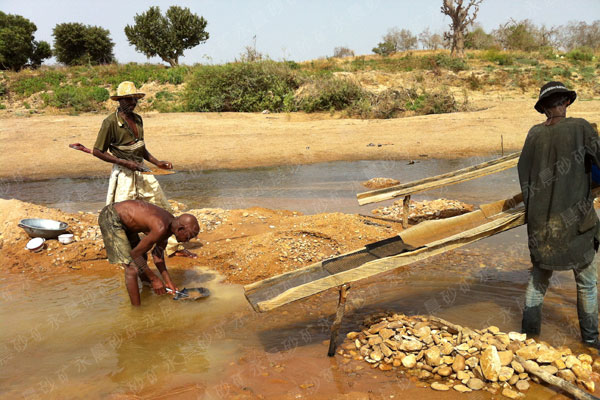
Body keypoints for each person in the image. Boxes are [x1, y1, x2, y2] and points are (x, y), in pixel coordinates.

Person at [518, 81, 600, 347]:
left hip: (542, 226)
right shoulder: (581, 127)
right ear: (565, 102)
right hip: (577, 223)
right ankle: (589, 341)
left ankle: (529, 338)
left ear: (543, 109)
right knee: (587, 282)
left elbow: (524, 175)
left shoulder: (533, 135)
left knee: (538, 281)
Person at [92, 81, 195, 258]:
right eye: (129, 100)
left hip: (142, 169)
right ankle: (125, 254)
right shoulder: (110, 123)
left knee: (160, 207)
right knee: (122, 213)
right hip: (124, 174)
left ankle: (171, 248)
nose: (133, 103)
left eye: (135, 100)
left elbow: (141, 148)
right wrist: (126, 163)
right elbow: (97, 151)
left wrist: (157, 162)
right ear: (120, 101)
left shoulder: (138, 119)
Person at [98, 200, 200, 306]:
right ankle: (137, 312)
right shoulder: (161, 227)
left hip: (125, 219)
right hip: (111, 216)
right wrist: (154, 279)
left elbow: (158, 257)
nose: (187, 241)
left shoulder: (170, 226)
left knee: (142, 257)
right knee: (132, 268)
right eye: (188, 237)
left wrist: (168, 281)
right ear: (180, 229)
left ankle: (146, 285)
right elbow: (134, 254)